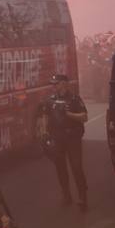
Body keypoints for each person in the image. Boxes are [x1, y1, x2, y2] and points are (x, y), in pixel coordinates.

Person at [44, 74, 89, 209]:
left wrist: (69, 114)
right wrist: (45, 134)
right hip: (58, 138)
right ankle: (66, 195)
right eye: (53, 84)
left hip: (72, 138)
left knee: (76, 167)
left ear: (64, 84)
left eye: (56, 84)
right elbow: (46, 117)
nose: (54, 87)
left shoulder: (74, 99)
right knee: (60, 168)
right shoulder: (50, 100)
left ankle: (82, 196)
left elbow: (84, 117)